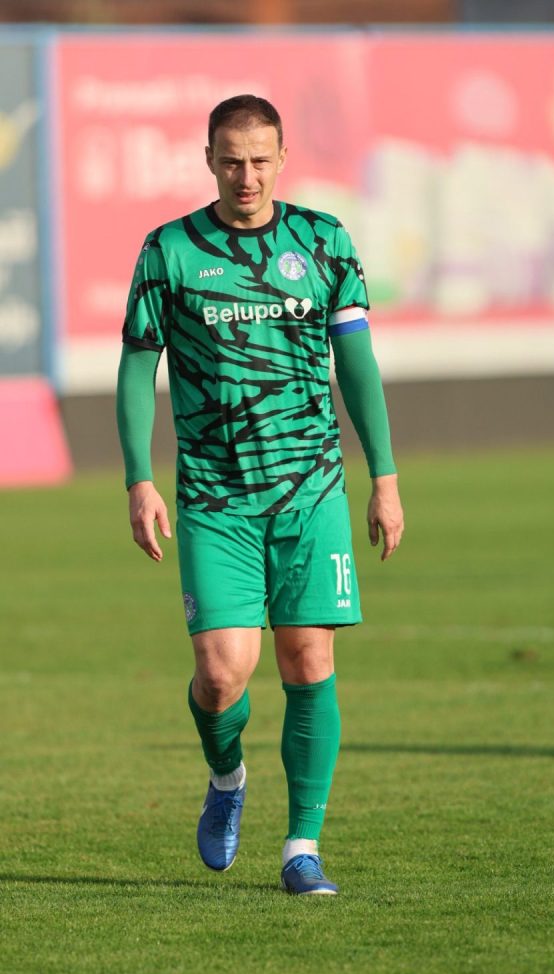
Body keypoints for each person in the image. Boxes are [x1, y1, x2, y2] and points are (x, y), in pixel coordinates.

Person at [117, 95, 404, 896]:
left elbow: (357, 366)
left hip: (312, 491)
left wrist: (383, 478)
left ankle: (301, 847)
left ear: (282, 158)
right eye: (232, 160)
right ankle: (227, 777)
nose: (246, 176)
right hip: (216, 499)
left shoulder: (324, 241)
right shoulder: (169, 251)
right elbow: (137, 367)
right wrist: (139, 478)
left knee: (309, 659)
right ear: (209, 160)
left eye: (260, 160)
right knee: (221, 676)